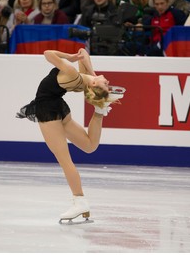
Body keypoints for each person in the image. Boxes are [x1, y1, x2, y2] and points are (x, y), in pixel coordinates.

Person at [16, 48, 125, 223]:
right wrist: (94, 76)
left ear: (95, 85)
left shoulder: (73, 74)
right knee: (89, 146)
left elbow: (47, 54)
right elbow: (83, 51)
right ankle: (99, 111)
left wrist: (68, 58)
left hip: (47, 110)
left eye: (106, 85)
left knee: (64, 159)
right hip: (58, 105)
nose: (108, 82)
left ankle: (79, 200)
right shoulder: (84, 80)